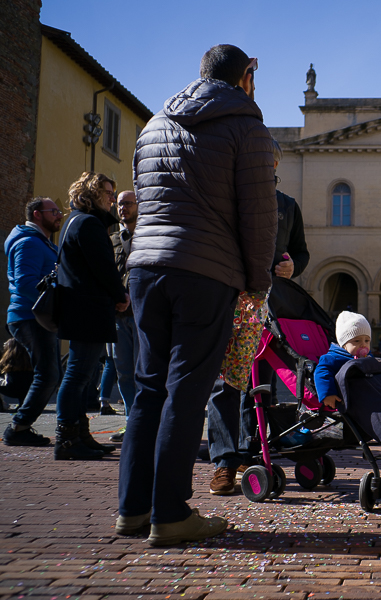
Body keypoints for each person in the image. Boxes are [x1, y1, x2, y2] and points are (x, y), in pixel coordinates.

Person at [117, 44, 277, 546]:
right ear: (246, 76)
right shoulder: (246, 125)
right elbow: (257, 213)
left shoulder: (153, 122)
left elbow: (143, 200)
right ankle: (170, 513)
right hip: (204, 270)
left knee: (148, 389)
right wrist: (258, 281)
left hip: (145, 266)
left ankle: (132, 509)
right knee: (187, 390)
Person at [205, 137, 309, 496]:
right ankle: (223, 462)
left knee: (259, 383)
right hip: (231, 299)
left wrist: (294, 265)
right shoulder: (229, 197)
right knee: (224, 382)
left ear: (275, 165)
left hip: (269, 306)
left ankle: (251, 450)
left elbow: (301, 252)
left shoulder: (287, 206)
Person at [55, 172, 127, 460]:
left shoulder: (75, 221)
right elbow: (104, 268)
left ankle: (79, 434)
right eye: (108, 192)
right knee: (77, 375)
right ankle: (68, 439)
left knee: (79, 374)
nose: (112, 198)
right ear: (92, 193)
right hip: (88, 309)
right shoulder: (88, 224)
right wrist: (121, 295)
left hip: (79, 308)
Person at [2, 197, 62, 447]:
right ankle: (18, 427)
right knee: (48, 375)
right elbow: (26, 283)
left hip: (37, 317)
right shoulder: (28, 242)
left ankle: (21, 425)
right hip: (31, 317)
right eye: (54, 211)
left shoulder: (42, 243)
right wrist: (52, 306)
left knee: (47, 374)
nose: (59, 215)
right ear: (38, 214)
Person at [108, 190, 138, 442]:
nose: (123, 208)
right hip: (118, 317)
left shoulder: (149, 236)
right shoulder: (113, 240)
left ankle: (145, 422)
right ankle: (131, 421)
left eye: (128, 204)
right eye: (120, 204)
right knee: (124, 371)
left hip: (143, 318)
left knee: (144, 372)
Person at [314, 311, 371, 410]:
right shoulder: (332, 358)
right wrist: (328, 394)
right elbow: (322, 373)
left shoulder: (368, 357)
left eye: (367, 341)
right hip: (347, 399)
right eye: (356, 341)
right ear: (343, 344)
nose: (363, 345)